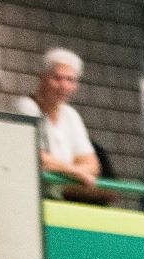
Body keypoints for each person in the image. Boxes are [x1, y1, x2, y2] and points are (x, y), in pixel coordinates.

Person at [13, 49, 101, 193]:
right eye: (57, 78)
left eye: (70, 80)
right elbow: (34, 156)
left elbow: (92, 165)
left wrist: (61, 169)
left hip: (57, 198)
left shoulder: (71, 115)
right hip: (26, 194)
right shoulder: (26, 107)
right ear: (42, 78)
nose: (64, 86)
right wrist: (76, 172)